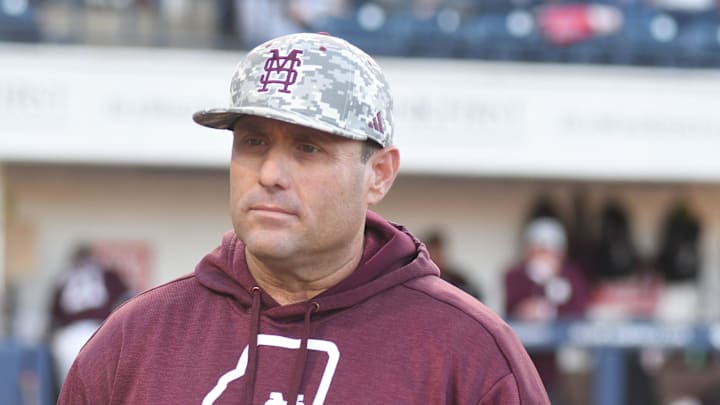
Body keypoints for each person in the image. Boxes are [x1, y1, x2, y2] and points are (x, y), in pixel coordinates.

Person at [58, 32, 549, 404]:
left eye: (309, 147)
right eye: (253, 141)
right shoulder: (135, 339)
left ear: (379, 174)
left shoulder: (468, 353)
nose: (270, 173)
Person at [503, 217, 590, 404]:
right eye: (539, 249)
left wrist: (548, 305)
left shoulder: (569, 274)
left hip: (558, 365)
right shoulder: (515, 274)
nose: (544, 256)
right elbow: (512, 306)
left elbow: (579, 308)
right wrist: (536, 286)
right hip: (521, 361)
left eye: (550, 250)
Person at [48, 244, 132, 388]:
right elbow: (128, 299)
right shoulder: (106, 272)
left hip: (69, 336)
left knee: (70, 388)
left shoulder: (63, 277)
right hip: (98, 331)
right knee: (100, 385)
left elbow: (53, 316)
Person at [424, 230, 483, 301]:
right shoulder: (424, 281)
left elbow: (475, 297)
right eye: (433, 253)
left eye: (438, 252)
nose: (436, 257)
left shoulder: (458, 280)